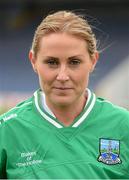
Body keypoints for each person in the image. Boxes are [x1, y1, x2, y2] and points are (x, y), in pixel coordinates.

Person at [0, 10, 129, 179]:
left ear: (93, 61)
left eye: (74, 62)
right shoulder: (8, 130)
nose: (62, 76)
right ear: (33, 61)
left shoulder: (123, 125)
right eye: (51, 62)